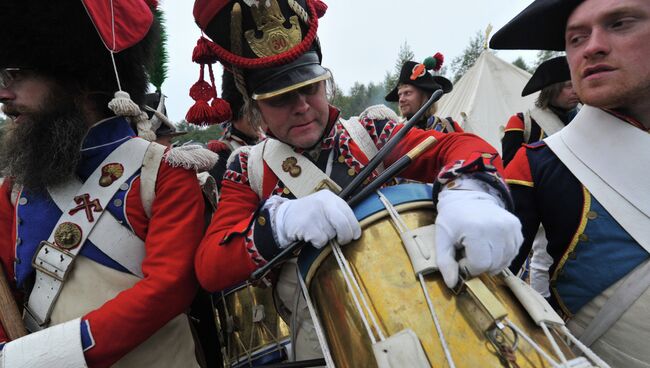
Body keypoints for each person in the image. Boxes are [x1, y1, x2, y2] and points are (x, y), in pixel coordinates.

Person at [193, 0, 522, 361]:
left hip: (421, 318)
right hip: (321, 344)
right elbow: (211, 267)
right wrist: (281, 223)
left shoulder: (371, 132)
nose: (301, 105)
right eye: (280, 97)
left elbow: (460, 146)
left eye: (310, 88)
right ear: (255, 106)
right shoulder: (247, 168)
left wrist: (470, 191)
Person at [0, 1, 205, 367]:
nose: (4, 94)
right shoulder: (13, 192)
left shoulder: (163, 173)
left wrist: (43, 357)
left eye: (15, 75)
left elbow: (168, 289)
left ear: (75, 77)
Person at [491, 0, 650, 366]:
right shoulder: (536, 163)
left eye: (620, 23)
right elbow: (485, 289)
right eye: (576, 38)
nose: (591, 46)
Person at [501, 56, 579, 166]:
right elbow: (511, 170)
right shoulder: (521, 123)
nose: (576, 91)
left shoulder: (587, 119)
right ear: (551, 90)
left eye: (577, 84)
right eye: (569, 86)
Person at [207, 70, 264, 189]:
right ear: (236, 115)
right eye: (251, 116)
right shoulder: (222, 151)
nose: (258, 121)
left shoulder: (265, 143)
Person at [385, 57, 462, 133]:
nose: (401, 100)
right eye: (399, 95)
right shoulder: (395, 133)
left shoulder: (449, 128)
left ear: (425, 96)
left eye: (407, 93)